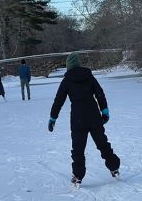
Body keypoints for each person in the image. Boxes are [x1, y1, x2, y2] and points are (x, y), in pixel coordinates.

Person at [48, 52, 120, 186]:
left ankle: (77, 176)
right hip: (93, 116)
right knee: (102, 143)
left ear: (69, 66)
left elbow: (59, 100)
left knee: (78, 148)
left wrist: (53, 118)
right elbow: (100, 93)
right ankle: (114, 167)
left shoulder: (67, 80)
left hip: (78, 118)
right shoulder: (89, 77)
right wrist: (104, 111)